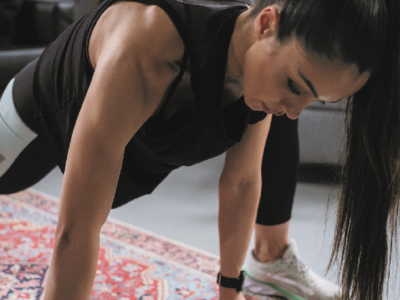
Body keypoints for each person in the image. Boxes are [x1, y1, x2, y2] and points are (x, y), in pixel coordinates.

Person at [0, 0, 398, 300]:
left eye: (312, 101)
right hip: (40, 115)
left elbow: (241, 184)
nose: (292, 112)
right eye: (295, 86)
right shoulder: (147, 53)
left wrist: (229, 292)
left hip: (113, 135)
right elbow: (75, 231)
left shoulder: (258, 82)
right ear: (266, 24)